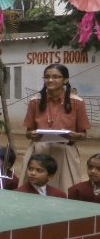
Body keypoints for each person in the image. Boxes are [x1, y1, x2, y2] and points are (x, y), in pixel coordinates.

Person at [22, 64, 90, 192]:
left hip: (65, 152)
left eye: (56, 77)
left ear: (65, 80)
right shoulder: (35, 101)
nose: (50, 80)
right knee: (33, 192)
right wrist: (31, 134)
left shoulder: (77, 102)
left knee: (66, 191)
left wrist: (75, 136)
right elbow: (28, 133)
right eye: (47, 77)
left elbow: (84, 135)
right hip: (39, 152)